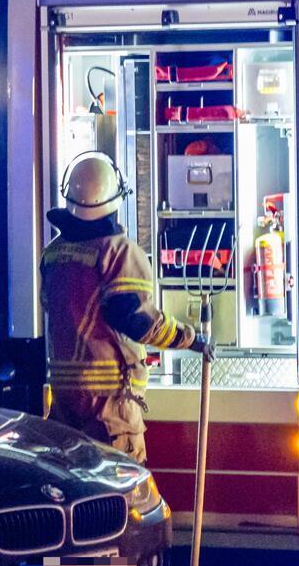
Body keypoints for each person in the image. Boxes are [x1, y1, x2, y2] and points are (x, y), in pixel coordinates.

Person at [40, 153, 200, 460]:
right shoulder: (119, 252)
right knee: (122, 499)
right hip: (109, 408)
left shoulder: (54, 254)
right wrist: (189, 338)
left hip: (64, 404)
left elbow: (54, 308)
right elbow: (137, 320)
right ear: (117, 197)